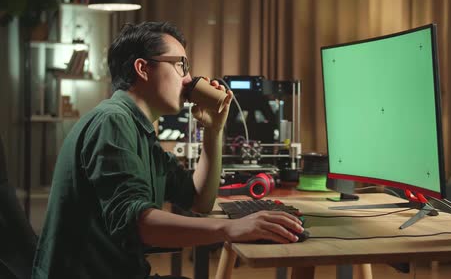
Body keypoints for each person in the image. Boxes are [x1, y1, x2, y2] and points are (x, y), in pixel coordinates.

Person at [32, 22, 304, 278]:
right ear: (142, 68)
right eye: (181, 65)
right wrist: (231, 227)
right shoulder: (111, 122)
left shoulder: (139, 132)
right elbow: (137, 224)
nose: (189, 80)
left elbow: (199, 199)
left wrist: (213, 131)